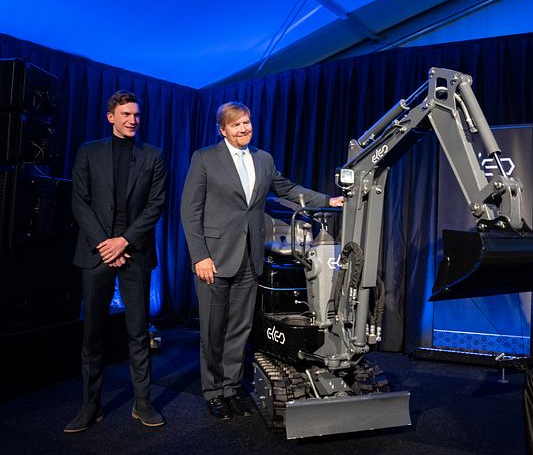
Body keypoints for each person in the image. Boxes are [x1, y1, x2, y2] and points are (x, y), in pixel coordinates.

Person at [181, 102, 343, 420]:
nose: (244, 128)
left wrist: (326, 200)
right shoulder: (204, 158)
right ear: (222, 130)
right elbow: (190, 212)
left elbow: (286, 189)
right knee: (213, 330)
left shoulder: (263, 159)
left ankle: (231, 388)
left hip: (250, 257)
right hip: (213, 259)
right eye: (237, 124)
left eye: (247, 122)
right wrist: (200, 255)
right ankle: (213, 392)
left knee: (240, 328)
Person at [65, 91, 167, 433]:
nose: (132, 120)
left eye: (136, 114)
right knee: (92, 334)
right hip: (96, 254)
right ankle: (90, 407)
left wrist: (124, 241)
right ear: (111, 117)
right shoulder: (88, 151)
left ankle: (142, 404)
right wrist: (104, 244)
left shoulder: (153, 156)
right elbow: (80, 202)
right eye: (125, 114)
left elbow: (155, 206)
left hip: (135, 254)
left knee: (138, 333)